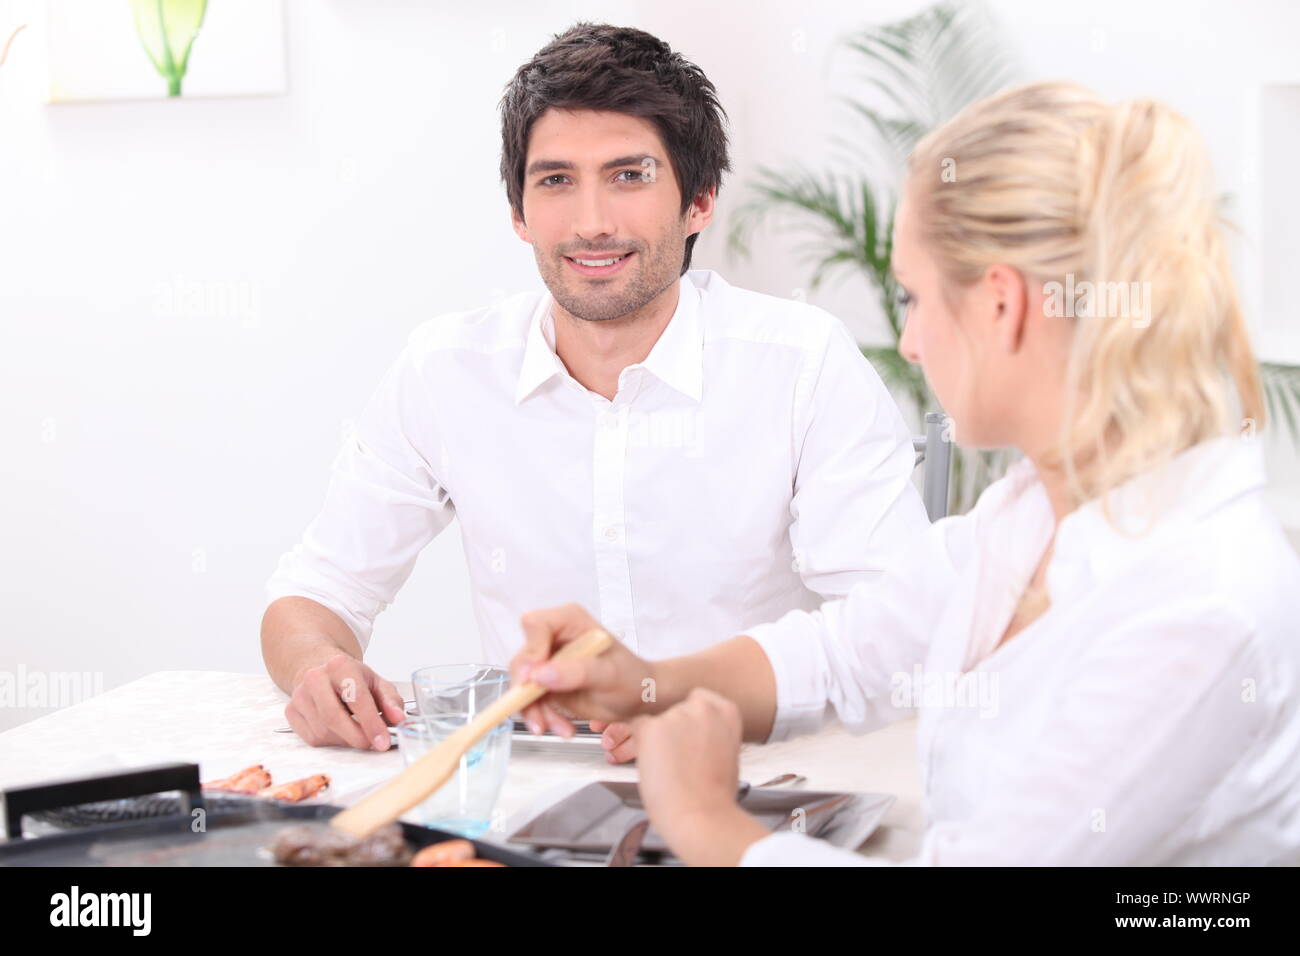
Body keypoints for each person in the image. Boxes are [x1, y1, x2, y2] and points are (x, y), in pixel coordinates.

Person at [510, 80, 1300, 865]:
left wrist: (705, 820)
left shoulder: (1195, 601)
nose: (910, 342)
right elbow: (844, 653)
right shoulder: (1029, 513)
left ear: (1000, 305)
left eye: (915, 298)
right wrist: (640, 679)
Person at [260, 23, 928, 753]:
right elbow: (317, 591)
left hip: (753, 780)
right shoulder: (445, 369)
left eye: (629, 175)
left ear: (699, 200)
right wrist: (319, 665)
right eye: (555, 181)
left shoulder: (802, 364)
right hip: (527, 787)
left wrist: (703, 703)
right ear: (518, 212)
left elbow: (897, 630)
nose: (591, 223)